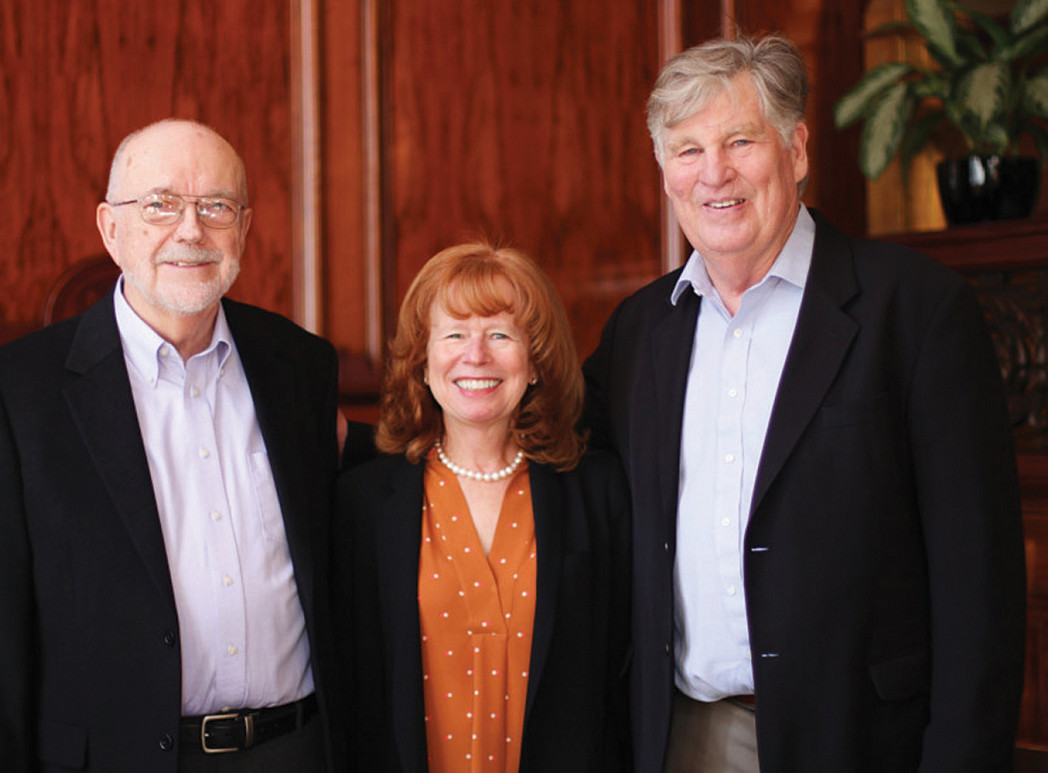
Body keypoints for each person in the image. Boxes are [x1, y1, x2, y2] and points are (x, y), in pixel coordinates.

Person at [582, 34, 1026, 772]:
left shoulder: (917, 310)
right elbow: (548, 462)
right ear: (665, 173)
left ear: (796, 149)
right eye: (687, 150)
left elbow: (980, 586)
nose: (713, 173)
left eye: (740, 140)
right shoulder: (639, 330)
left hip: (863, 740)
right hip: (678, 736)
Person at [0, 119, 368, 772]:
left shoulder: (300, 365)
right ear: (112, 228)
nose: (191, 230)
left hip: (299, 749)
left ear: (245, 230)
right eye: (160, 205)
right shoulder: (20, 391)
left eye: (216, 206)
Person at [333, 243, 630, 771]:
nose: (476, 355)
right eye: (453, 334)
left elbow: (621, 681)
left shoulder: (599, 493)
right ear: (423, 363)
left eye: (500, 334)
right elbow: (355, 695)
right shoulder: (365, 505)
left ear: (535, 361)